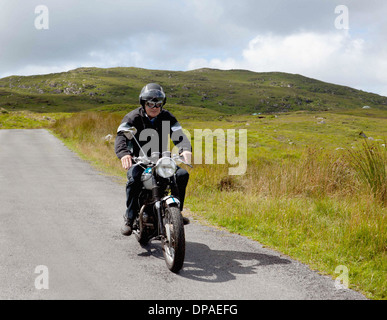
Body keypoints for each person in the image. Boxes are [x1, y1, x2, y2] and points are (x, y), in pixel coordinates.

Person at [115, 83, 192, 236]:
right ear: (143, 103)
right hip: (139, 160)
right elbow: (121, 136)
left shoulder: (167, 117)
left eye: (158, 103)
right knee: (134, 179)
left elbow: (179, 135)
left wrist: (185, 149)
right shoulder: (133, 117)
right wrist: (124, 153)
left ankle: (177, 212)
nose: (154, 107)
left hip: (162, 160)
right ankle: (129, 218)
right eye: (150, 103)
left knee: (182, 175)